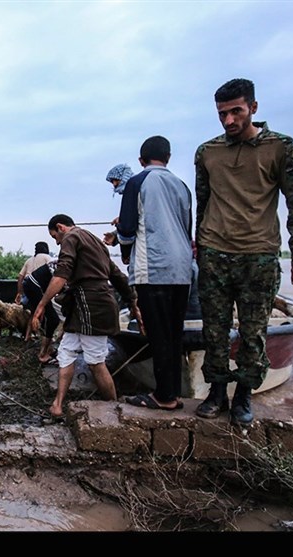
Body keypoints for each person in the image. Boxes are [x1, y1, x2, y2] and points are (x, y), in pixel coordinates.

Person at [194, 78, 293, 426]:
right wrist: (198, 244)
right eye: (222, 114)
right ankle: (216, 392)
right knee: (213, 330)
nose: (229, 121)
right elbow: (203, 203)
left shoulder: (281, 147)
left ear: (254, 108)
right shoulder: (207, 152)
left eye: (236, 112)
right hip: (214, 253)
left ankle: (244, 395)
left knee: (253, 331)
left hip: (259, 255)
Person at [105, 136, 193, 411]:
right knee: (173, 334)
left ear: (141, 161)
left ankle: (163, 397)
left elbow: (129, 230)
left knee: (157, 335)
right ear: (167, 157)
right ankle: (173, 393)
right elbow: (186, 228)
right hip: (182, 269)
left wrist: (120, 240)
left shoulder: (137, 182)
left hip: (153, 268)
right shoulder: (182, 185)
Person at [32, 214, 136, 419]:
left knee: (95, 361)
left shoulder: (71, 237)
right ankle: (58, 405)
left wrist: (41, 305)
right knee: (66, 351)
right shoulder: (96, 242)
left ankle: (114, 409)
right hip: (85, 305)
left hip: (92, 304)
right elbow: (117, 275)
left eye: (55, 236)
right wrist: (132, 300)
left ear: (61, 227)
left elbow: (61, 274)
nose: (57, 242)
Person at [21, 258, 61, 364]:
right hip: (35, 286)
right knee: (52, 319)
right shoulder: (69, 265)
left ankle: (48, 348)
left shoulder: (68, 261)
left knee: (44, 317)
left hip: (32, 285)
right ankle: (43, 354)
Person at [103, 163, 134, 265]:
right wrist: (115, 236)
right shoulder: (129, 195)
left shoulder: (135, 193)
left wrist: (122, 221)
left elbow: (131, 226)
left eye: (116, 180)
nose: (114, 184)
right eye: (112, 182)